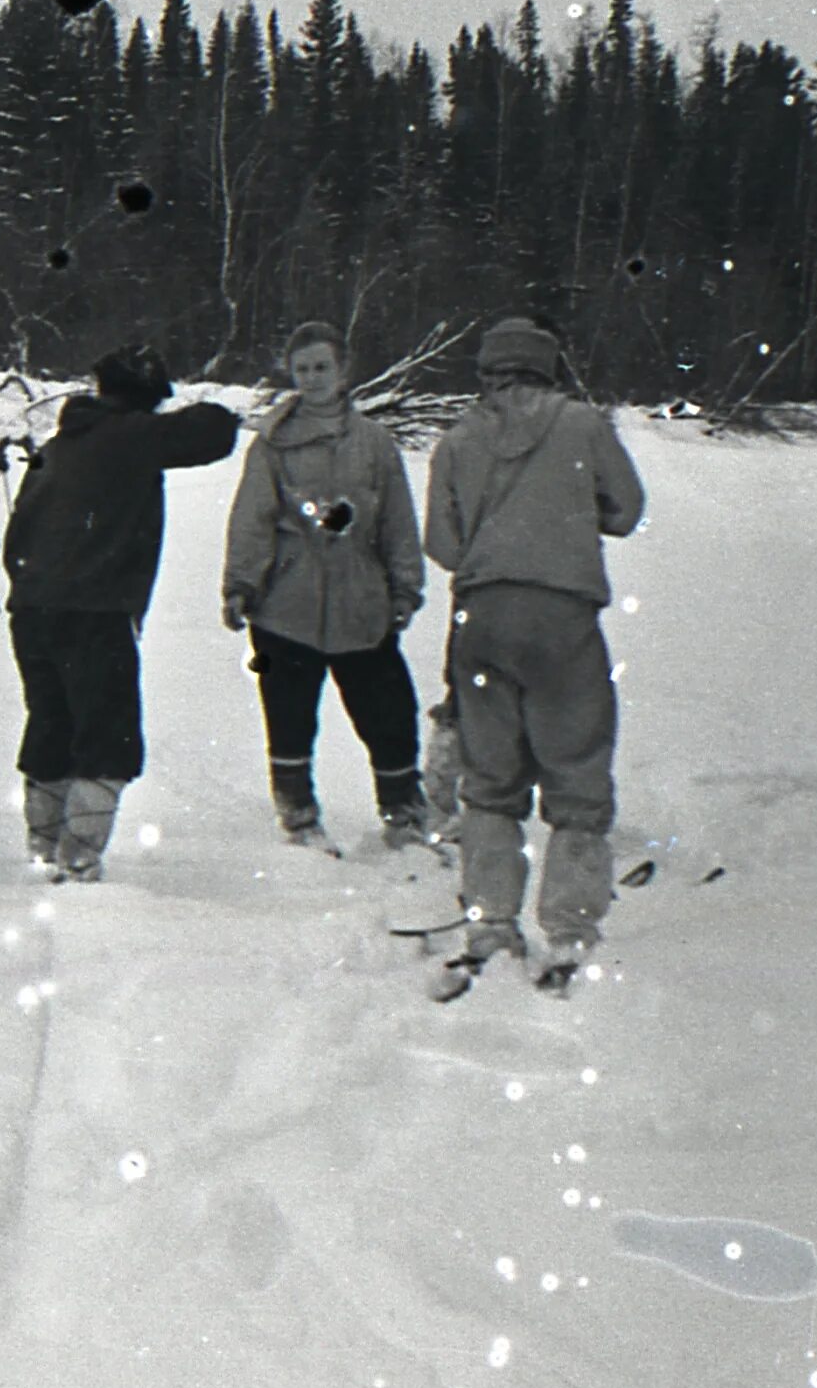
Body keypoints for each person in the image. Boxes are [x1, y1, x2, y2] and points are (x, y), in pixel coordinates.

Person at [423, 316, 646, 988]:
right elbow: (628, 509)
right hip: (564, 616)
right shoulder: (584, 426)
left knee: (490, 778)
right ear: (549, 367)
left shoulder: (458, 440)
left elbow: (444, 544)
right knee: (576, 771)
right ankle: (570, 925)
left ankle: (492, 916)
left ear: (487, 370)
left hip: (483, 618)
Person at [3, 344, 242, 881]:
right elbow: (212, 434)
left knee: (52, 726)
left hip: (34, 609)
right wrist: (234, 410)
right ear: (142, 401)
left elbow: (16, 536)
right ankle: (80, 858)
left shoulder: (61, 444)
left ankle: (43, 851)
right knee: (107, 738)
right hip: (93, 613)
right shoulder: (129, 437)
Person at [220, 320, 432, 854]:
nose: (312, 378)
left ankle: (404, 815)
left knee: (388, 714)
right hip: (286, 606)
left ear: (343, 372)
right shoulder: (273, 444)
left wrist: (405, 589)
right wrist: (241, 584)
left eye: (322, 367)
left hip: (362, 604)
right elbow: (252, 518)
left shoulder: (375, 443)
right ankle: (298, 818)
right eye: (302, 369)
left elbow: (398, 523)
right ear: (291, 374)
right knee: (290, 716)